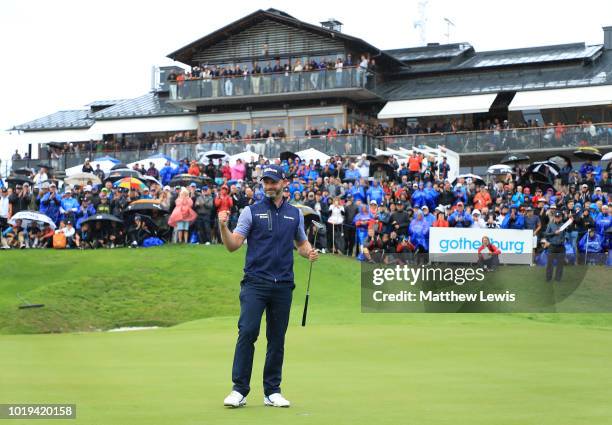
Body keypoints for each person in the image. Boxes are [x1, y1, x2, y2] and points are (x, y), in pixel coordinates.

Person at [218, 164, 318, 408]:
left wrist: (309, 253)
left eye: (273, 182)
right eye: (266, 182)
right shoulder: (251, 212)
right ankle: (239, 390)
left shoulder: (294, 214)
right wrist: (223, 226)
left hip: (283, 284)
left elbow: (301, 244)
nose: (269, 186)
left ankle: (272, 391)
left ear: (284, 183)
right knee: (248, 332)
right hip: (255, 282)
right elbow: (233, 245)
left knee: (276, 339)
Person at [542, 211, 567, 282]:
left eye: (558, 217)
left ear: (561, 217)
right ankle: (548, 278)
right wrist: (554, 233)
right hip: (552, 246)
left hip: (561, 247)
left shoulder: (564, 225)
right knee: (550, 263)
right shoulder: (550, 224)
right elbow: (546, 234)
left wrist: (566, 239)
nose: (557, 218)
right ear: (554, 217)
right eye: (556, 217)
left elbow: (567, 233)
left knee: (560, 264)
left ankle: (558, 279)